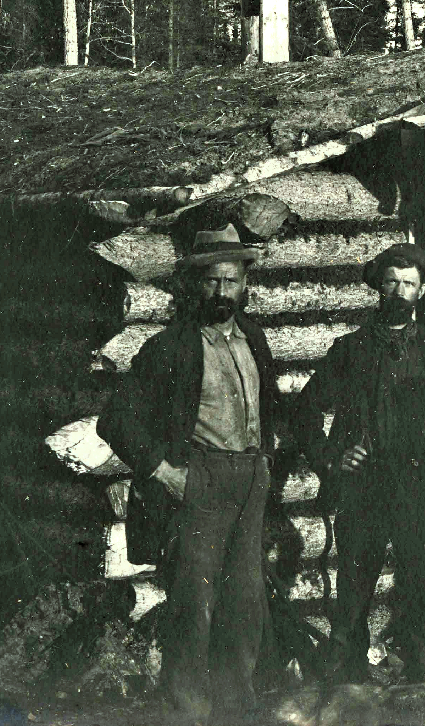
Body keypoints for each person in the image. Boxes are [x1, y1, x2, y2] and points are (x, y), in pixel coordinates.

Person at [98, 224, 279, 725]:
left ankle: (236, 708)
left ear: (246, 285)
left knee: (245, 600)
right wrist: (164, 472)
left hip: (250, 478)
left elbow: (271, 407)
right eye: (211, 282)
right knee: (194, 602)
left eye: (231, 282)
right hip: (200, 478)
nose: (222, 292)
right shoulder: (169, 347)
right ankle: (187, 712)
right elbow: (116, 419)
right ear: (194, 285)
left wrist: (267, 461)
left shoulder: (253, 339)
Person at [292, 243, 425, 684]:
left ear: (423, 291)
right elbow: (304, 411)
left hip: (419, 486)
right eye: (392, 281)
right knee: (354, 585)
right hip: (364, 486)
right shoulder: (350, 350)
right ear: (379, 286)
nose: (399, 291)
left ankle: (424, 672)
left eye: (409, 284)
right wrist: (332, 457)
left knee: (422, 577)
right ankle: (347, 675)